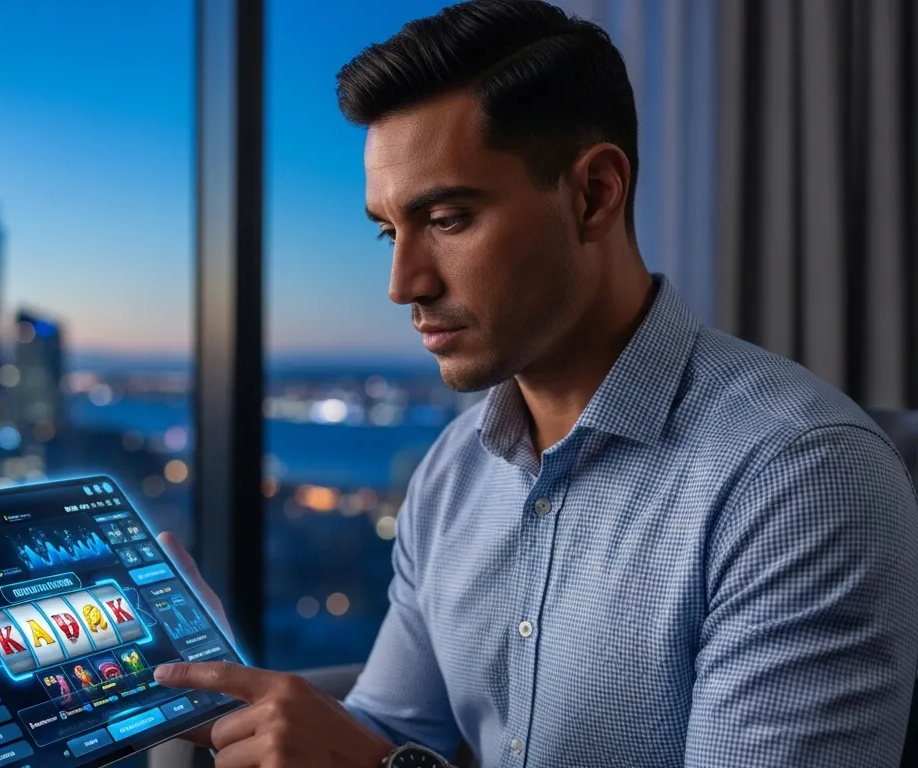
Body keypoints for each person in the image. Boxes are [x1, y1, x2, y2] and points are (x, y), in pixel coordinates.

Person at [151, 0, 918, 766]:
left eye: (447, 219)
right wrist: (234, 698)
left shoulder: (801, 479)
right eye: (390, 232)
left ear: (593, 194)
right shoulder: (452, 474)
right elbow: (389, 733)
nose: (402, 282)